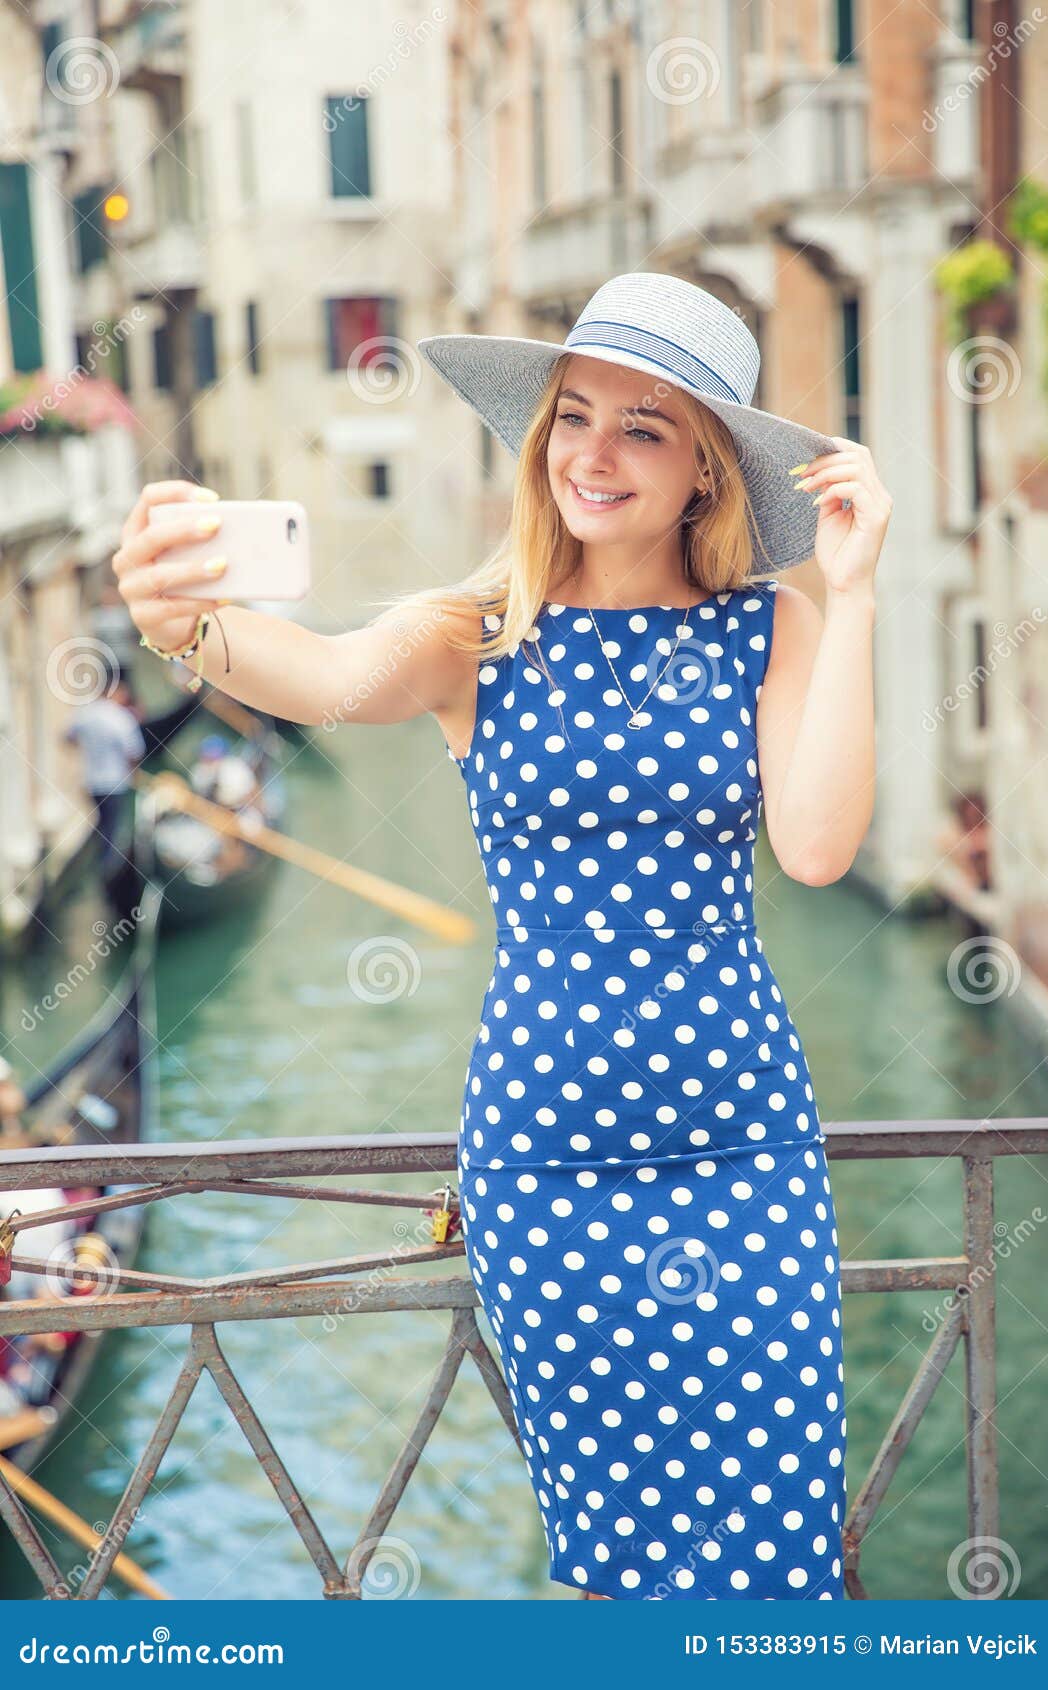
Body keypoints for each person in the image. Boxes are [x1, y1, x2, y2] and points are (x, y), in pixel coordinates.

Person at [110, 271, 891, 1601]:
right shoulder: (475, 636)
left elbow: (814, 845)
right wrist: (170, 614)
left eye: (642, 428)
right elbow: (306, 673)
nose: (592, 453)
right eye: (571, 414)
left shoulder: (776, 625)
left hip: (740, 1149)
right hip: (549, 1162)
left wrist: (858, 591)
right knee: (619, 1560)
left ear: (704, 467)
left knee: (776, 1551)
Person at [63, 674, 146, 878]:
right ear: (114, 693)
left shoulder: (85, 714)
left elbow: (68, 738)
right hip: (115, 783)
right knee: (112, 828)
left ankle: (101, 869)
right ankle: (107, 873)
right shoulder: (120, 717)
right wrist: (134, 774)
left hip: (92, 782)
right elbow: (134, 751)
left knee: (103, 825)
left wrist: (90, 748)